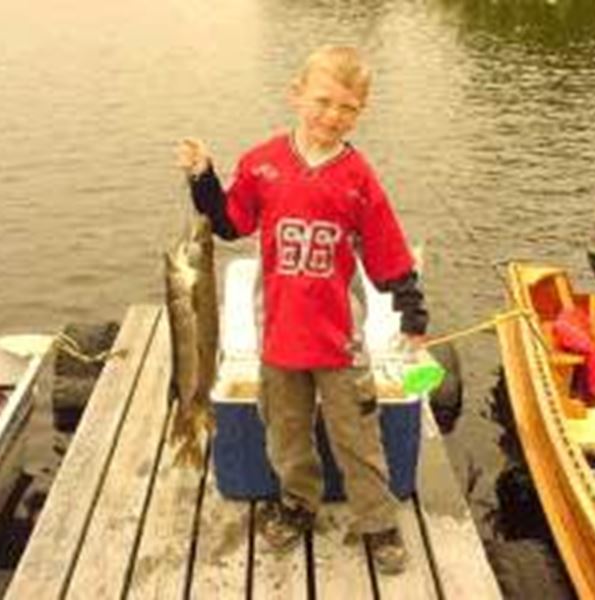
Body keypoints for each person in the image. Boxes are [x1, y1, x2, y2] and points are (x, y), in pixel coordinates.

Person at [176, 45, 427, 574]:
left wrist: (412, 313)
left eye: (347, 108)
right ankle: (297, 503)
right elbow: (229, 222)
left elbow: (387, 249)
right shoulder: (262, 163)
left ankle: (377, 519)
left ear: (361, 112)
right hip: (280, 340)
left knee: (357, 436)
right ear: (297, 95)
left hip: (340, 341)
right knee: (285, 432)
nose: (332, 116)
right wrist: (202, 176)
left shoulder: (358, 177)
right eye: (323, 101)